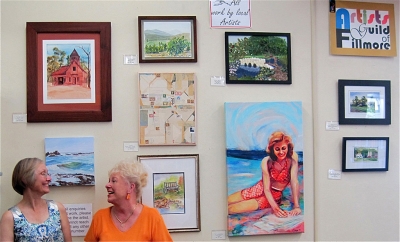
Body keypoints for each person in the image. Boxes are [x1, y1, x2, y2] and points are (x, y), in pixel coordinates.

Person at [84, 160, 173, 242]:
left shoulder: (152, 217)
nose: (107, 185)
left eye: (114, 181)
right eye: (109, 181)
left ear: (131, 187)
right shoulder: (100, 217)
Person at [228, 131, 302, 218]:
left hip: (272, 196)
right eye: (277, 149)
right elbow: (266, 188)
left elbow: (294, 181)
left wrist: (296, 206)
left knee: (231, 209)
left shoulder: (292, 158)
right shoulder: (266, 161)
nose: (281, 152)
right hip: (258, 188)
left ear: (288, 147)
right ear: (272, 149)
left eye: (283, 148)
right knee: (226, 201)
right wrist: (275, 208)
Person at [0, 157, 72, 241]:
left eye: (47, 174)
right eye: (43, 173)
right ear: (25, 179)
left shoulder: (58, 209)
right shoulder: (10, 217)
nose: (49, 178)